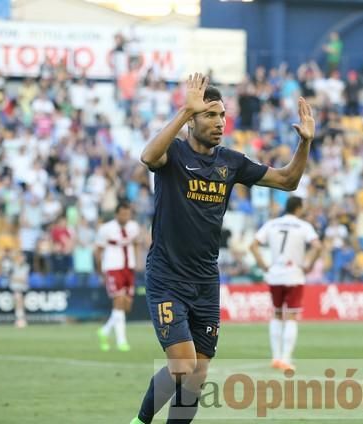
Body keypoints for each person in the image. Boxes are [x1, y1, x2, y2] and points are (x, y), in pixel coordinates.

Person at [130, 73, 315, 424]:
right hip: (167, 277)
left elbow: (288, 181)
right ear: (192, 120)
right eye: (210, 115)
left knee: (196, 377)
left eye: (222, 116)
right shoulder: (173, 154)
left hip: (205, 282)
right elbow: (147, 156)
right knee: (182, 367)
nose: (219, 123)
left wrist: (304, 144)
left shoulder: (232, 162)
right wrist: (185, 110)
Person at [250, 196, 320, 371]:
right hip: (294, 275)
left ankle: (276, 357)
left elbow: (253, 245)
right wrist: (309, 264)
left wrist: (263, 265)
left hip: (275, 274)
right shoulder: (304, 226)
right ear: (298, 208)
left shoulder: (272, 224)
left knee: (277, 314)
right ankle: (286, 359)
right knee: (291, 316)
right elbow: (317, 246)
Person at [96, 201, 140, 352]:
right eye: (123, 214)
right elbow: (98, 250)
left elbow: (135, 244)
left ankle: (105, 330)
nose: (125, 217)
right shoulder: (106, 229)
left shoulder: (134, 227)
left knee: (126, 305)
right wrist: (100, 270)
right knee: (119, 300)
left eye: (128, 214)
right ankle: (122, 341)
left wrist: (138, 261)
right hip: (113, 267)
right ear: (117, 214)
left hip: (129, 268)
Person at [9, 251, 30, 328]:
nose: (22, 259)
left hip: (23, 287)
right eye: (20, 257)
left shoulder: (26, 266)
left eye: (23, 257)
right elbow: (11, 278)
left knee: (22, 303)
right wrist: (19, 279)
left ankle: (21, 319)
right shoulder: (13, 266)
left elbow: (25, 279)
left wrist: (17, 279)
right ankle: (19, 319)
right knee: (18, 300)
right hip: (15, 287)